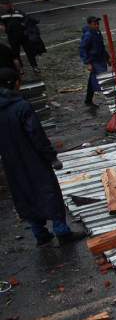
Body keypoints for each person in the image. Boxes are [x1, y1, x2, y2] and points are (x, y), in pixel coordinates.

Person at [0, 67, 85, 246]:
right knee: (48, 192)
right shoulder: (21, 107)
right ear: (15, 83)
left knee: (24, 195)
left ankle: (40, 234)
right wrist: (51, 157)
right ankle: (62, 232)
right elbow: (36, 135)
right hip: (33, 159)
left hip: (11, 162)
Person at [79, 16, 108, 107]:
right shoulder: (88, 35)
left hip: (100, 59)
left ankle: (88, 100)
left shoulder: (97, 32)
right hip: (94, 60)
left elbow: (101, 47)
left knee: (93, 80)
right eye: (94, 24)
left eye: (97, 23)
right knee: (102, 78)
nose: (97, 25)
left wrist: (107, 57)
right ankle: (108, 97)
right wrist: (88, 63)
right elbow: (82, 49)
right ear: (89, 24)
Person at [1, 2, 39, 72]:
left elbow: (26, 18)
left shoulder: (19, 12)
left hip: (23, 35)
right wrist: (5, 29)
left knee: (29, 52)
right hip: (12, 37)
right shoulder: (2, 14)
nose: (4, 7)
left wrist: (23, 24)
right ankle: (20, 68)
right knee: (16, 53)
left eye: (5, 6)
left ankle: (34, 66)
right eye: (3, 6)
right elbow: (1, 24)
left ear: (10, 5)